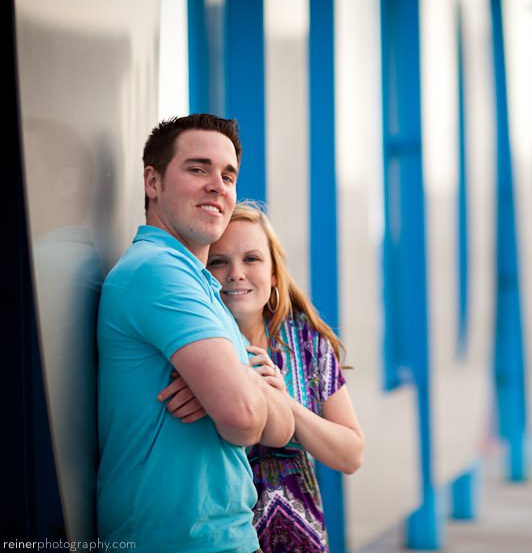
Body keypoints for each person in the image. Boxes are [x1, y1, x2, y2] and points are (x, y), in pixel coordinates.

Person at [96, 114, 295, 552]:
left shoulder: (204, 287)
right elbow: (245, 420)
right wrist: (242, 385)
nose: (217, 186)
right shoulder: (158, 271)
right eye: (198, 168)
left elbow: (281, 429)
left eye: (228, 175)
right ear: (153, 181)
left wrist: (232, 384)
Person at [186, 201, 364, 552]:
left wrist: (284, 405)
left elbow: (351, 455)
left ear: (273, 274)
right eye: (219, 261)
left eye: (251, 259)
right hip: (222, 539)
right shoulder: (189, 345)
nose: (236, 273)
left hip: (303, 540)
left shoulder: (306, 341)